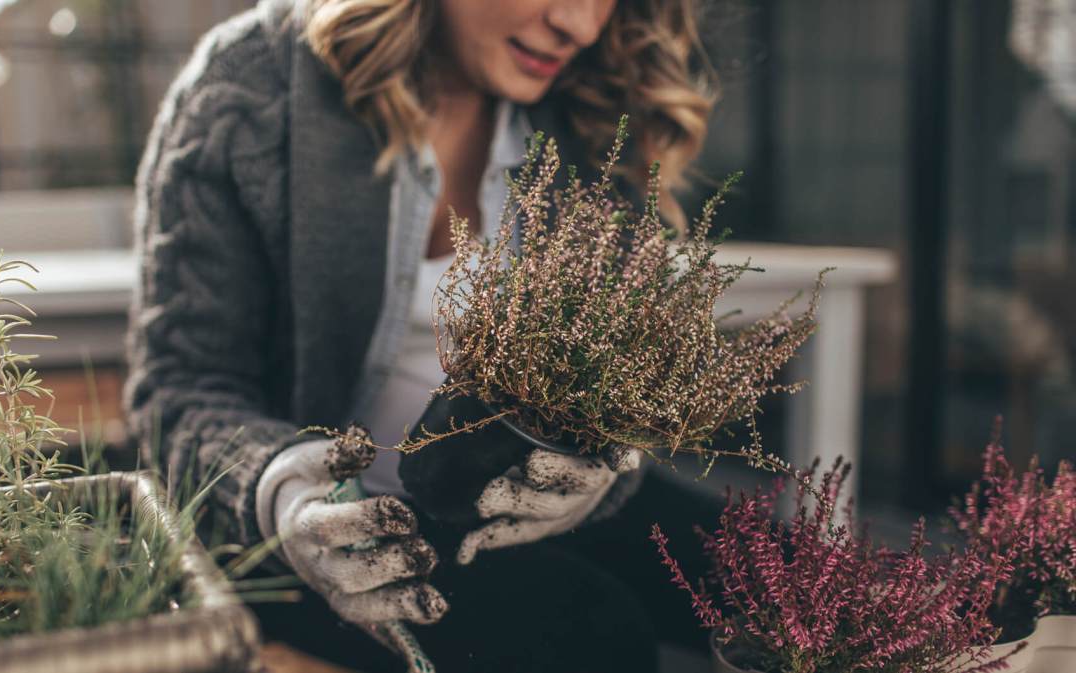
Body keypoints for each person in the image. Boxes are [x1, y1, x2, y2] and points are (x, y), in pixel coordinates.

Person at [125, 0, 718, 670]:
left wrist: (605, 469)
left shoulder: (590, 109)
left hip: (506, 503)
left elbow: (610, 374)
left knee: (798, 585)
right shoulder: (254, 85)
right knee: (587, 633)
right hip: (303, 531)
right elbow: (176, 393)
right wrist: (285, 492)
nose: (580, 25)